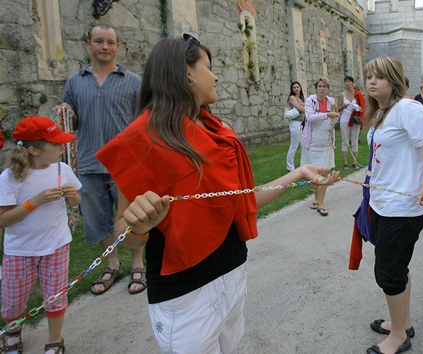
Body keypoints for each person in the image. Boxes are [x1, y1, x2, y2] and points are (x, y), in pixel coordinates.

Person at [94, 35, 339, 353]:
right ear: (188, 74)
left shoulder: (217, 131)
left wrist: (298, 175)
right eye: (209, 67)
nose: (217, 76)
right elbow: (124, 236)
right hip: (185, 296)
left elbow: (242, 201)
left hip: (233, 275)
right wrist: (139, 225)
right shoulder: (141, 139)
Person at [361, 56, 423, 354]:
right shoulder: (383, 112)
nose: (371, 81)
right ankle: (403, 322)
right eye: (369, 76)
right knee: (397, 265)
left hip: (404, 206)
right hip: (384, 202)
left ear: (393, 80)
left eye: (379, 77)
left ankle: (398, 337)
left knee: (388, 271)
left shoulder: (408, 108)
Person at [62, 24, 144, 296]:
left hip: (124, 164)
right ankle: (112, 264)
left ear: (117, 46)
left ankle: (137, 264)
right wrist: (64, 114)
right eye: (99, 41)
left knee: (133, 217)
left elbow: (142, 120)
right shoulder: (75, 81)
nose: (105, 47)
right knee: (98, 221)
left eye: (110, 42)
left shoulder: (133, 81)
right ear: (89, 45)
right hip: (88, 164)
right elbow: (71, 123)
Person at [0, 116, 82, 354]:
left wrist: (72, 197)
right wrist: (34, 201)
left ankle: (55, 340)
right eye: (55, 144)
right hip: (20, 250)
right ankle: (13, 335)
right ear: (34, 150)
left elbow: (77, 202)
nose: (61, 147)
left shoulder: (62, 169)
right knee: (13, 300)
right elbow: (4, 219)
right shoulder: (9, 178)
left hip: (56, 245)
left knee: (55, 297)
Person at [301, 77, 341, 216]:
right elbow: (310, 117)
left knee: (323, 172)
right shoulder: (310, 101)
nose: (322, 89)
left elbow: (334, 120)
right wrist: (327, 114)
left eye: (324, 86)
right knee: (313, 173)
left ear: (328, 89)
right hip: (312, 142)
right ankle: (317, 199)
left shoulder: (331, 101)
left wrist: (335, 115)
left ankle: (321, 203)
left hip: (326, 142)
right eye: (319, 86)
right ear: (316, 88)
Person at [337, 75, 366, 170]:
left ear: (352, 83)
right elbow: (338, 108)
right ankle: (345, 162)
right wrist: (343, 107)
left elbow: (362, 107)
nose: (347, 83)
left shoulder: (358, 94)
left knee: (354, 141)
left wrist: (358, 108)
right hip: (345, 119)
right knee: (345, 141)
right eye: (346, 81)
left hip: (355, 119)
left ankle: (354, 162)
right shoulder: (342, 95)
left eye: (349, 81)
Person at [285, 81, 305, 172]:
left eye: (297, 87)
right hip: (295, 124)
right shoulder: (292, 98)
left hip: (303, 124)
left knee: (304, 145)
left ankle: (303, 163)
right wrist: (308, 109)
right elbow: (299, 108)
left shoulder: (302, 99)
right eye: (294, 87)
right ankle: (290, 166)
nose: (296, 89)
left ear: (300, 88)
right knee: (294, 145)